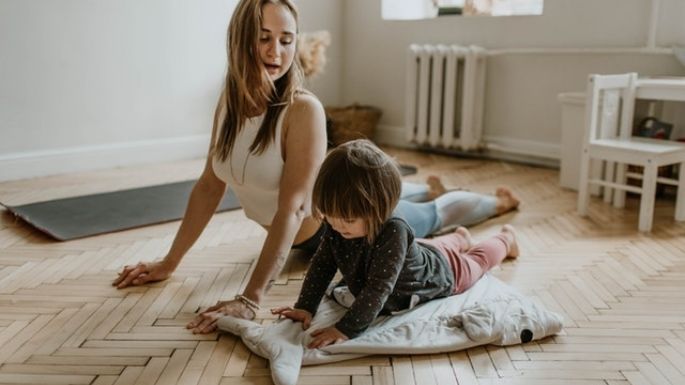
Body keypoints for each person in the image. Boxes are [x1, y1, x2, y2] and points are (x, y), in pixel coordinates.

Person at [112, 0, 519, 333]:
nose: (277, 52)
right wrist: (169, 263)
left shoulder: (302, 109)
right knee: (413, 203)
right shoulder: (229, 104)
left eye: (287, 40)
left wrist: (250, 299)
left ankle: (495, 205)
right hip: (326, 216)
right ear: (239, 40)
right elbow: (208, 186)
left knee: (430, 215)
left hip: (341, 228)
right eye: (264, 39)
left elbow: (292, 209)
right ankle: (423, 190)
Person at [272, 140, 519, 348]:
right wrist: (305, 306)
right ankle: (460, 237)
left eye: (347, 219)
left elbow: (379, 288)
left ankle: (506, 240)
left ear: (379, 209)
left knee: (476, 261)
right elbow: (322, 264)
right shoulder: (339, 225)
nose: (336, 225)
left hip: (442, 272)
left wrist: (345, 329)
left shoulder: (394, 230)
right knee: (432, 246)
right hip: (420, 251)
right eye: (329, 216)